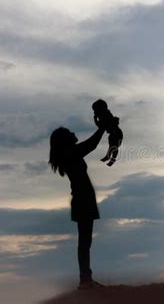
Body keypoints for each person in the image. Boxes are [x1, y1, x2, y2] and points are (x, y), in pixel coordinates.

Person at [48, 117, 106, 290]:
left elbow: (90, 145)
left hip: (84, 200)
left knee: (85, 241)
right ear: (65, 140)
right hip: (83, 201)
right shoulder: (70, 153)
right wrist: (102, 128)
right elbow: (91, 144)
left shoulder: (69, 153)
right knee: (84, 242)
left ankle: (86, 278)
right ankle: (85, 280)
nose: (74, 133)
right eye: (69, 133)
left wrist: (102, 128)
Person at [92, 99, 123, 166]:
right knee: (112, 146)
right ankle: (108, 156)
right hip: (113, 133)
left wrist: (95, 120)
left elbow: (100, 126)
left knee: (114, 147)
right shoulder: (104, 116)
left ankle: (111, 159)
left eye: (95, 110)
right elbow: (101, 127)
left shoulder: (105, 116)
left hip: (116, 133)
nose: (94, 112)